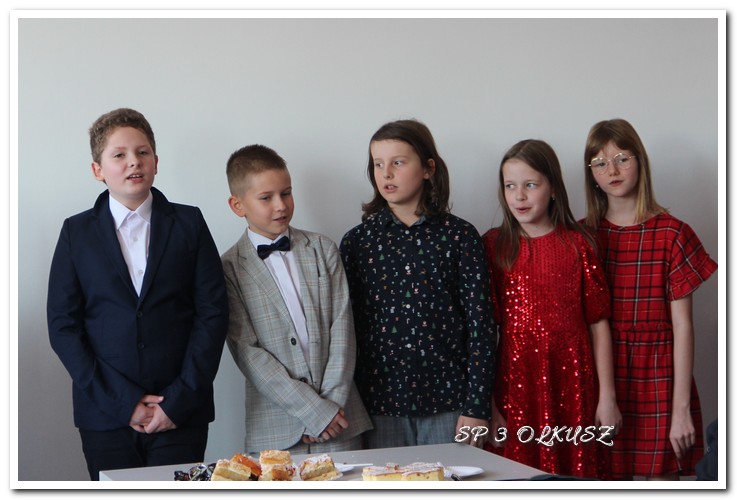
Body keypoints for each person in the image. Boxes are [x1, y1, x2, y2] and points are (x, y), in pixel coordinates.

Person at [47, 108, 229, 480]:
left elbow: (213, 313)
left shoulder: (189, 223)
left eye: (142, 152)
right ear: (97, 169)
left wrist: (179, 400)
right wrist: (122, 402)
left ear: (156, 162)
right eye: (119, 155)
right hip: (105, 414)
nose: (134, 162)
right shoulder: (76, 233)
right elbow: (63, 326)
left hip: (180, 411)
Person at [339, 119, 496, 449]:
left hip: (450, 405)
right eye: (378, 164)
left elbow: (480, 326)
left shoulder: (460, 237)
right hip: (379, 406)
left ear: (428, 168)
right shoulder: (357, 243)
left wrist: (477, 405)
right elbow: (346, 332)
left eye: (398, 162)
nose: (386, 174)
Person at [583, 118, 717, 480]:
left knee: (662, 482)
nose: (612, 170)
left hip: (659, 377)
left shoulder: (673, 234)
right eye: (600, 163)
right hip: (602, 379)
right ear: (591, 173)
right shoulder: (584, 237)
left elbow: (683, 327)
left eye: (622, 159)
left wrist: (680, 410)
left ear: (640, 161)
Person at [481, 139, 621, 479]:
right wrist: (490, 405)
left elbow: (598, 324)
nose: (519, 196)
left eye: (530, 185)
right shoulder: (494, 246)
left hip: (573, 383)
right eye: (510, 186)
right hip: (515, 384)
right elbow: (484, 332)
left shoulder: (579, 244)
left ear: (553, 188)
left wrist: (607, 398)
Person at [221, 144, 372, 455]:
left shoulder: (323, 249)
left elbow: (343, 329)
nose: (281, 206)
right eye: (266, 198)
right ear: (237, 205)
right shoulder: (229, 268)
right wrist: (313, 412)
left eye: (286, 193)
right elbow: (248, 353)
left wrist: (329, 408)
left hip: (340, 421)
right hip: (276, 432)